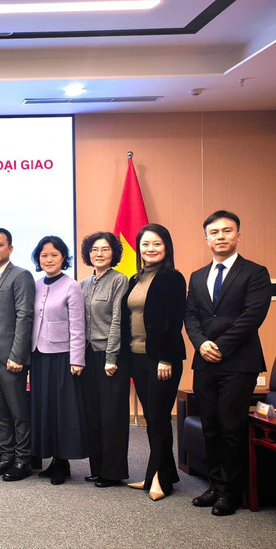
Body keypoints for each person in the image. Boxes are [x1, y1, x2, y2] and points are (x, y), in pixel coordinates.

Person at [185, 211, 271, 516]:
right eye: (214, 232)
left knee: (231, 427)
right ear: (206, 237)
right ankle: (215, 485)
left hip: (239, 361)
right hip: (205, 361)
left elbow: (252, 316)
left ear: (238, 235)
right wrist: (201, 343)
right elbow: (191, 316)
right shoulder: (196, 276)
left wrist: (220, 346)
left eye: (227, 231)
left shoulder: (256, 272)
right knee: (210, 427)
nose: (220, 236)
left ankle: (231, 493)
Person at [121, 223, 186, 502]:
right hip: (137, 357)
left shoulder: (172, 277)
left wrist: (166, 358)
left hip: (162, 359)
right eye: (145, 244)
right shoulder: (135, 279)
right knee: (152, 420)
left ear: (166, 246)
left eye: (157, 244)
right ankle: (157, 474)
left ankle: (161, 479)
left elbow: (174, 321)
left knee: (159, 419)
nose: (150, 249)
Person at [0, 227, 36, 482]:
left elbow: (25, 316)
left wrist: (18, 355)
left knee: (18, 411)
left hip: (10, 357)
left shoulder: (20, 276)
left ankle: (23, 460)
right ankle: (5, 457)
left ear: (10, 249)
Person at [30, 235, 87, 485]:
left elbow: (78, 326)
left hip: (63, 357)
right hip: (39, 355)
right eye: (44, 255)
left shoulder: (71, 285)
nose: (49, 259)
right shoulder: (36, 284)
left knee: (63, 410)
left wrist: (77, 360)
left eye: (54, 255)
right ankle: (52, 458)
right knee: (45, 409)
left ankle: (63, 463)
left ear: (63, 258)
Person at [79, 232, 129, 488]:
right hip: (87, 356)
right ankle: (97, 468)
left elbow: (118, 321)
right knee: (93, 415)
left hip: (110, 357)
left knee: (112, 416)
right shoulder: (84, 284)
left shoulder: (120, 280)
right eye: (94, 249)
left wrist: (111, 356)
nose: (99, 253)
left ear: (114, 253)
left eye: (105, 249)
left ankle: (113, 472)